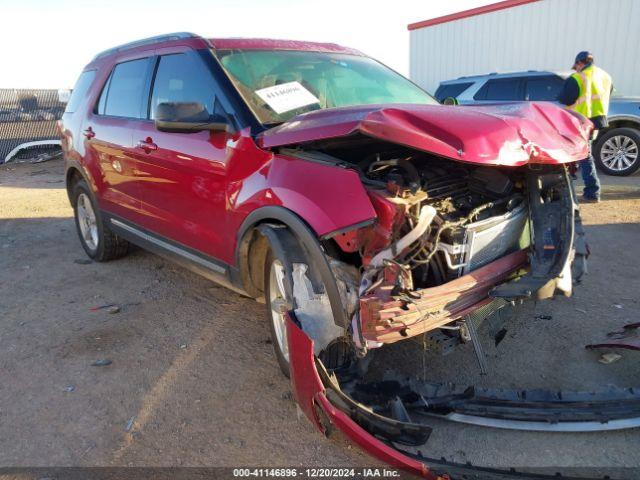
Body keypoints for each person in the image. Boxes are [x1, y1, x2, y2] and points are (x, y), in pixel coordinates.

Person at [558, 51, 612, 203]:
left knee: (584, 156)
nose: (576, 69)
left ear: (579, 63)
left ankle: (592, 192)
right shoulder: (605, 76)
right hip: (597, 120)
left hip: (580, 121)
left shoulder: (578, 77)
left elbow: (564, 99)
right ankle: (581, 185)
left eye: (576, 67)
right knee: (583, 154)